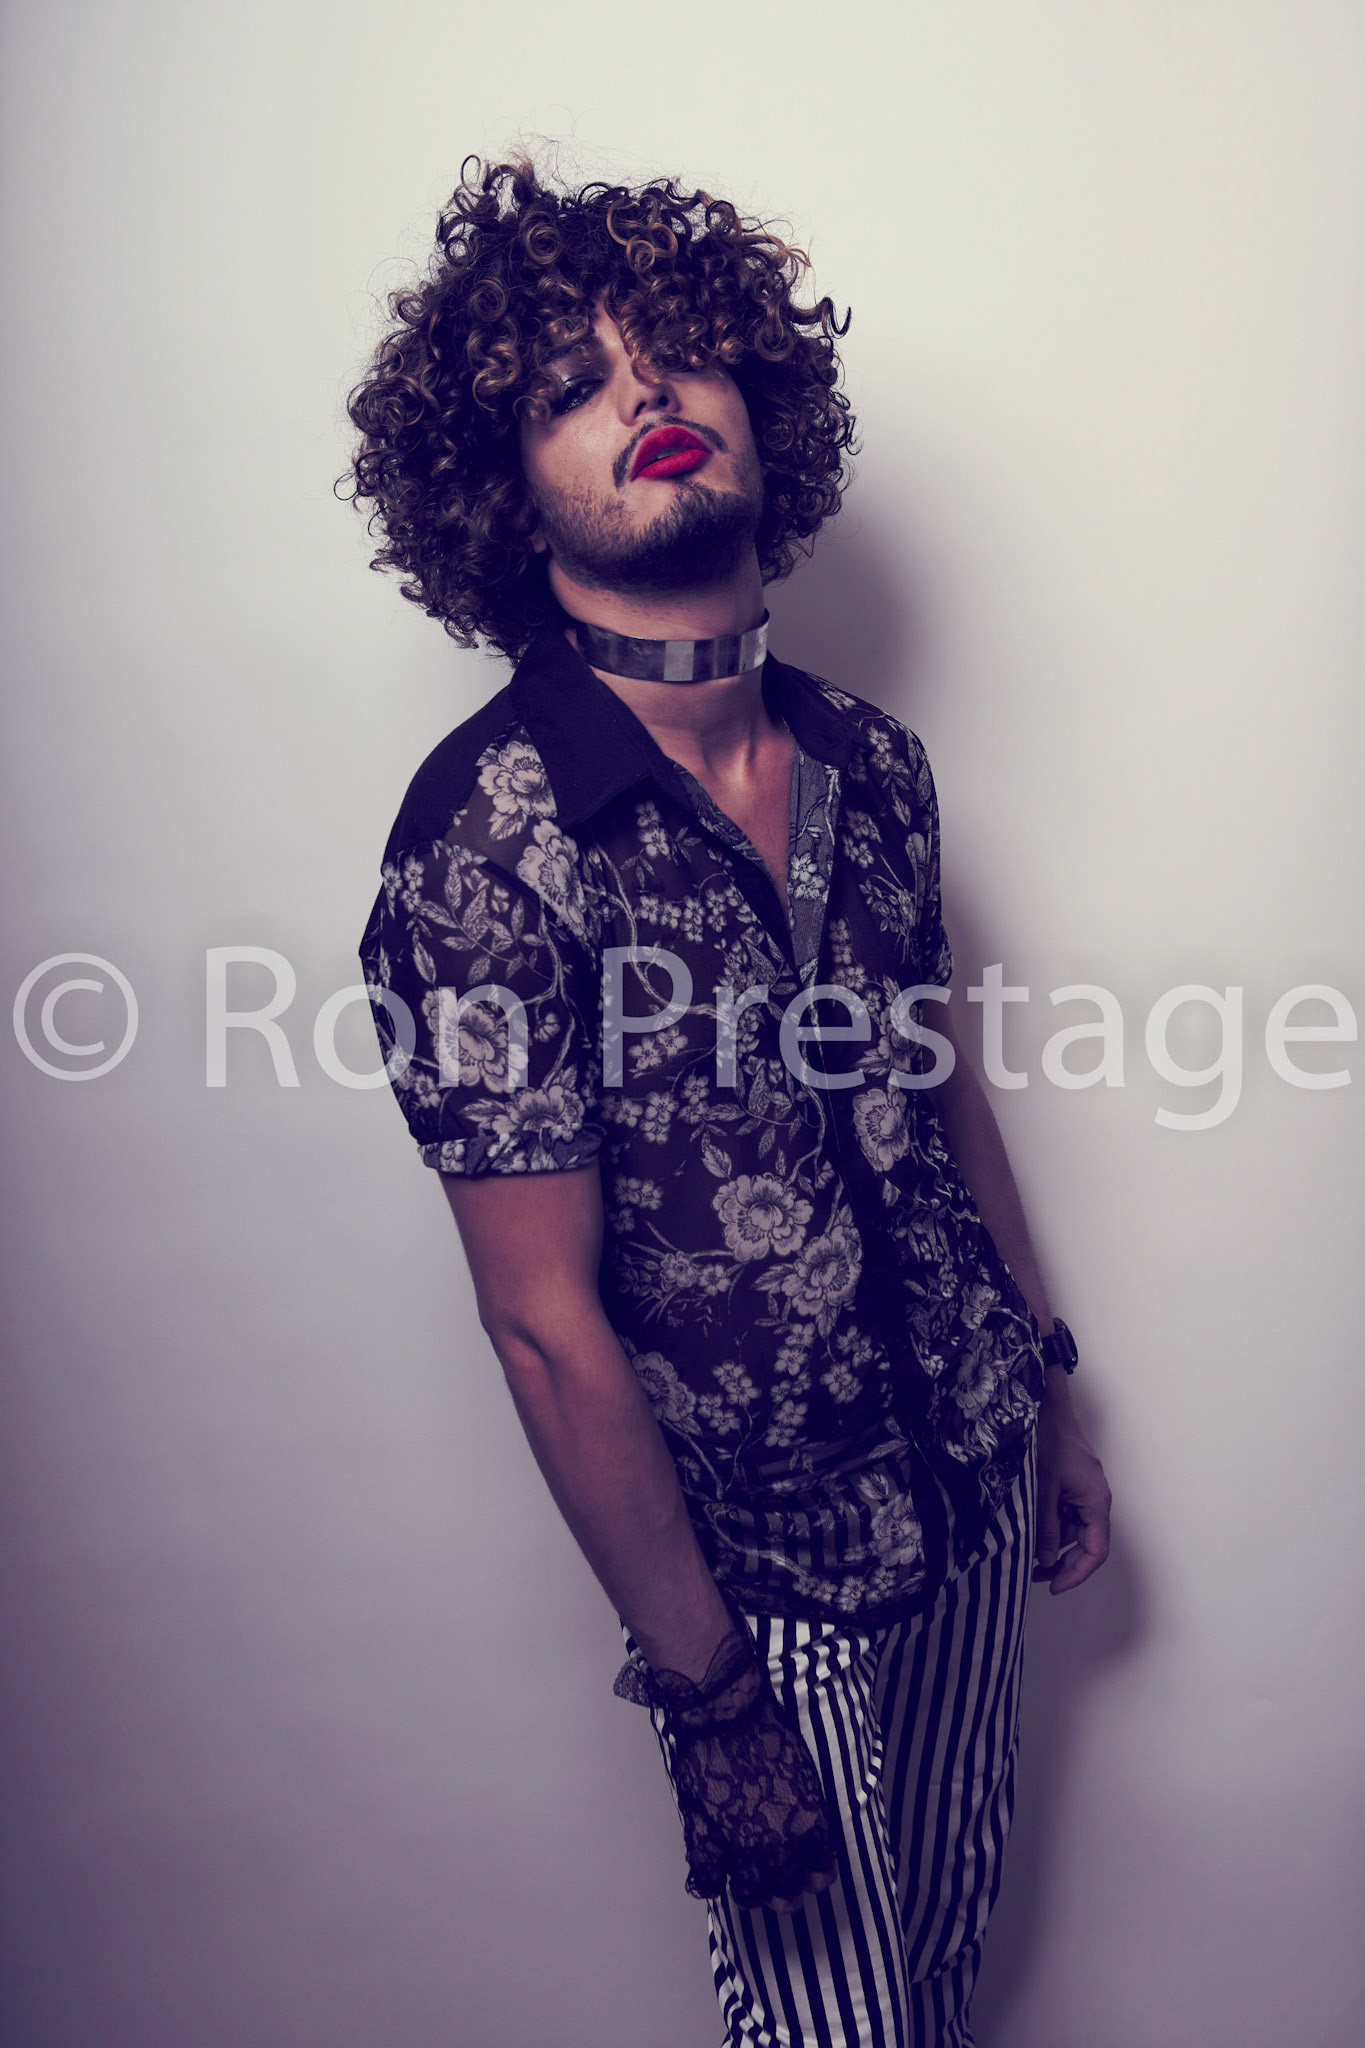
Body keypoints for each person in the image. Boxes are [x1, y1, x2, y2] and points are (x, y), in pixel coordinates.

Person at [347, 155, 1111, 2047]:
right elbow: (541, 1321)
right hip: (756, 1578)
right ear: (504, 489)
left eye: (680, 352)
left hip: (965, 1486)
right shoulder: (489, 840)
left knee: (935, 1982)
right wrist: (708, 1702)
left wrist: (1045, 1389)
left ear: (763, 397)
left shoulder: (874, 764)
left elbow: (938, 1096)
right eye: (570, 387)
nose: (646, 396)